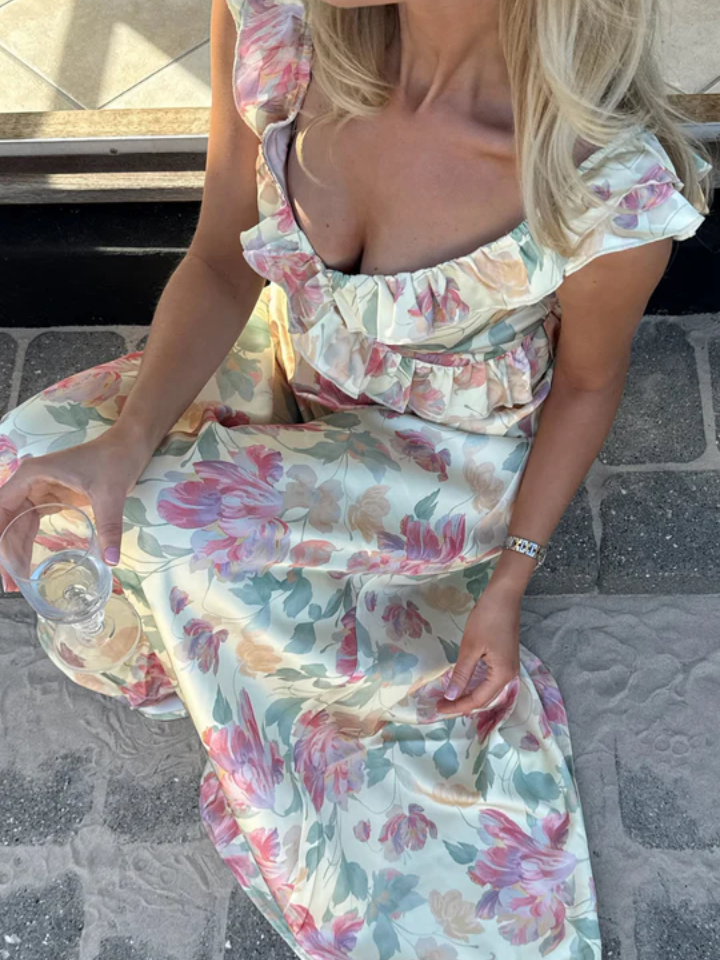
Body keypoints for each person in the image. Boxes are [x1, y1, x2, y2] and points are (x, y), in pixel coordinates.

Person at [0, 0, 713, 956]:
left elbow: (588, 384)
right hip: (294, 374)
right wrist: (129, 437)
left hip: (440, 463)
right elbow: (221, 264)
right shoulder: (280, 33)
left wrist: (508, 582)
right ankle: (250, 614)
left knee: (171, 526)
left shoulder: (602, 185)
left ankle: (266, 622)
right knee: (35, 463)